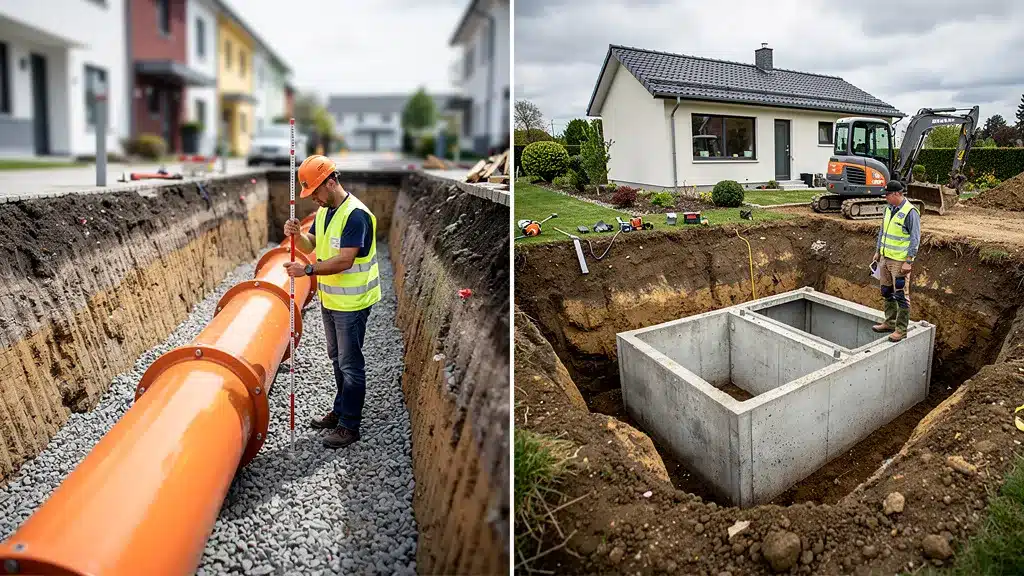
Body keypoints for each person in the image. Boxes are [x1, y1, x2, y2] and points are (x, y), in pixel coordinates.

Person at [282, 154, 381, 449]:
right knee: (337, 359)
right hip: (332, 299)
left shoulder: (356, 215)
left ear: (330, 181)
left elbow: (345, 260)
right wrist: (297, 235)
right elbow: (312, 245)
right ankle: (340, 412)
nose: (313, 199)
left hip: (352, 303)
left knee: (350, 364)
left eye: (315, 192)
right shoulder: (326, 212)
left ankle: (349, 425)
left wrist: (307, 270)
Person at [871, 180, 920, 342]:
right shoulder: (888, 209)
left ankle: (901, 329)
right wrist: (878, 251)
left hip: (899, 262)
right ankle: (890, 322)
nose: (885, 198)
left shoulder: (910, 212)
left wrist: (909, 261)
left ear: (897, 194)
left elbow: (915, 239)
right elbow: (882, 232)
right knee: (886, 291)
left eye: (887, 195)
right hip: (885, 258)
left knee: (900, 295)